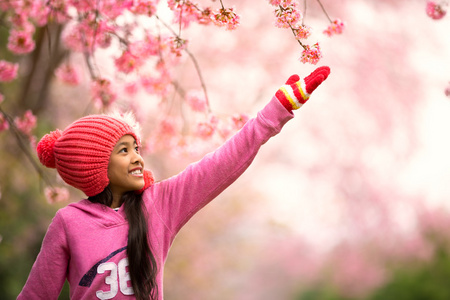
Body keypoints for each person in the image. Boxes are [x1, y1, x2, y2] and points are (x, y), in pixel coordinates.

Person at [17, 66, 331, 300]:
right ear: (94, 166)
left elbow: (221, 164)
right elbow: (36, 295)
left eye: (136, 149)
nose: (138, 158)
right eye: (124, 151)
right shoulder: (69, 222)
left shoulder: (160, 205)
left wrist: (275, 111)